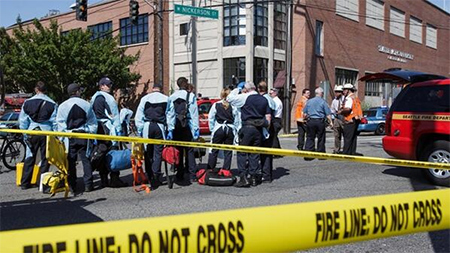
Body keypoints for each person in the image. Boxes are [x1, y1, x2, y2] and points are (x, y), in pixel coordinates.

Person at [228, 82, 271, 187]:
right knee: (254, 153)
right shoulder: (264, 99)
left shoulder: (244, 97)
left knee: (242, 153)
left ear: (246, 89)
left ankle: (243, 177)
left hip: (247, 127)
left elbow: (229, 98)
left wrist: (237, 89)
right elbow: (268, 117)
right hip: (258, 129)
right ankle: (253, 177)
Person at [56, 83, 97, 193]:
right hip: (83, 135)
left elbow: (60, 123)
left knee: (71, 161)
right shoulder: (86, 104)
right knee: (86, 160)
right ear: (77, 92)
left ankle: (72, 185)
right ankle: (88, 184)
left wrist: (62, 137)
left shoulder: (63, 106)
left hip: (70, 136)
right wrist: (90, 132)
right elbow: (92, 122)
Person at [19, 81, 57, 190]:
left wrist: (25, 133)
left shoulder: (27, 102)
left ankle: (25, 183)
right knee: (46, 158)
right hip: (46, 133)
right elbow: (54, 122)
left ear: (36, 89)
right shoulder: (52, 103)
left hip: (32, 132)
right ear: (46, 90)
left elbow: (23, 120)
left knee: (30, 156)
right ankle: (42, 183)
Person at [90, 77, 127, 188]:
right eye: (107, 85)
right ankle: (114, 179)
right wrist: (119, 129)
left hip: (98, 128)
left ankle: (104, 179)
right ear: (101, 86)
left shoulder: (94, 98)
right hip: (108, 128)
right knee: (112, 153)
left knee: (102, 152)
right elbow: (114, 116)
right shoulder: (108, 98)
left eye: (110, 84)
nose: (109, 86)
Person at [135, 83, 168, 189]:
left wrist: (140, 128)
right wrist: (170, 129)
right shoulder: (166, 99)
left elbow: (139, 115)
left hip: (147, 126)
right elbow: (170, 115)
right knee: (158, 153)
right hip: (159, 126)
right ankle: (156, 175)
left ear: (152, 89)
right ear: (161, 89)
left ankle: (149, 175)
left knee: (148, 152)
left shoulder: (145, 98)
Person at [166, 77, 200, 183]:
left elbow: (170, 113)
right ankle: (192, 174)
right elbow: (194, 114)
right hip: (187, 126)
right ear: (185, 84)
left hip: (176, 126)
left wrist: (170, 129)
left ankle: (179, 174)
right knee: (189, 150)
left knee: (179, 151)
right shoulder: (191, 96)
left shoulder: (172, 97)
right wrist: (196, 129)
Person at [207, 88, 240, 171]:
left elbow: (211, 118)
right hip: (230, 129)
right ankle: (226, 170)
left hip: (219, 128)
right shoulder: (233, 106)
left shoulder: (216, 105)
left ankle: (210, 168)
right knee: (228, 151)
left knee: (214, 150)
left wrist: (212, 129)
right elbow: (237, 120)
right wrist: (236, 130)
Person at [303, 87, 333, 160]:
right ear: (321, 94)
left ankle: (308, 154)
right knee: (321, 138)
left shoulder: (309, 101)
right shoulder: (323, 102)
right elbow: (328, 114)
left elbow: (304, 113)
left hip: (311, 121)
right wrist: (331, 122)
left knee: (310, 137)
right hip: (320, 121)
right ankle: (320, 154)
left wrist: (305, 119)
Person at [258, 82, 276, 183]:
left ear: (258, 89)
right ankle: (268, 173)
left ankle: (265, 174)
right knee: (268, 152)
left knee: (263, 152)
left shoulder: (263, 100)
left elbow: (267, 115)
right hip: (271, 126)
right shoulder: (271, 99)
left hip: (266, 127)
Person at [340, 83, 363, 155]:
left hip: (350, 119)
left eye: (344, 90)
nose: (343, 91)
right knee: (353, 137)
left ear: (348, 90)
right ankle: (352, 152)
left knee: (347, 138)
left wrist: (340, 111)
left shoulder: (349, 98)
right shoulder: (355, 98)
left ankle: (346, 153)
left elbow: (348, 109)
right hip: (356, 119)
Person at [330, 85, 344, 154]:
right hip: (336, 118)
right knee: (336, 135)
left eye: (338, 92)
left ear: (341, 92)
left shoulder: (345, 99)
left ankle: (346, 149)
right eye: (336, 92)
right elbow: (332, 110)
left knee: (345, 134)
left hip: (343, 118)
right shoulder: (334, 101)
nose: (336, 93)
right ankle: (336, 149)